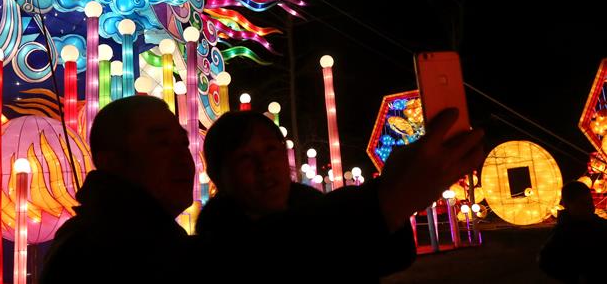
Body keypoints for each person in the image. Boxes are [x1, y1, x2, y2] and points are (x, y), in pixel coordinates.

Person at [196, 108, 485, 281]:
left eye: (271, 149)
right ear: (219, 177)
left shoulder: (316, 209)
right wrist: (390, 198)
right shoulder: (219, 247)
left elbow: (390, 258)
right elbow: (286, 247)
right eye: (245, 158)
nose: (265, 166)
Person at [41, 96, 199, 284]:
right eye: (162, 143)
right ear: (110, 162)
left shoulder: (161, 239)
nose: (182, 157)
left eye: (184, 143)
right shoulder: (96, 251)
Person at [538, 180, 607, 283]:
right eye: (582, 203)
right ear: (567, 206)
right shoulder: (563, 233)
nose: (589, 207)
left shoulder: (601, 225)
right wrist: (576, 276)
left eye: (590, 201)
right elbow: (546, 261)